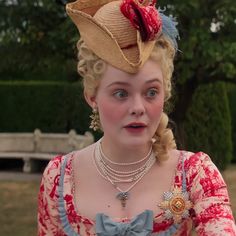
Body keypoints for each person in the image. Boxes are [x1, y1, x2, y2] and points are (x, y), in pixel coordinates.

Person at [38, 0, 236, 235]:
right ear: (92, 97)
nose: (138, 107)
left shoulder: (195, 174)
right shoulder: (60, 178)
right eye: (120, 93)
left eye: (151, 92)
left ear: (165, 93)